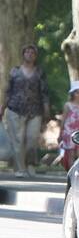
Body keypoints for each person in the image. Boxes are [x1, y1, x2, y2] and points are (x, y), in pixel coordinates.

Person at [1, 45, 51, 177]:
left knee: (32, 139)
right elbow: (8, 91)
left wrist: (46, 108)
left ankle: (30, 164)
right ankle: (20, 169)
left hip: (35, 110)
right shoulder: (14, 71)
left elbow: (44, 92)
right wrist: (2, 108)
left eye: (32, 52)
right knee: (17, 140)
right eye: (27, 52)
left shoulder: (40, 72)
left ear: (36, 56)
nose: (29, 54)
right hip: (14, 109)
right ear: (23, 54)